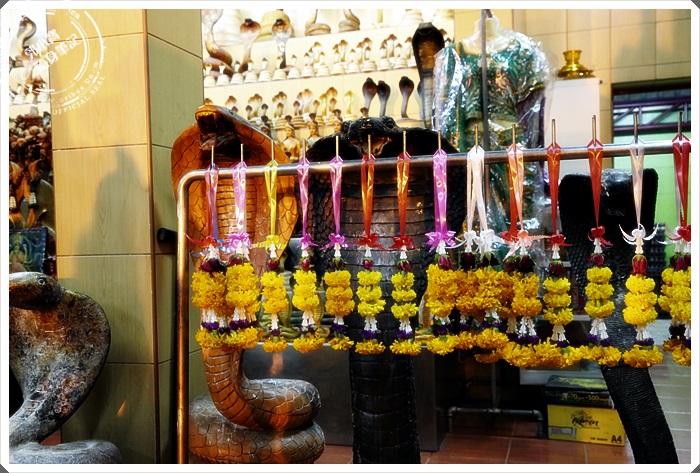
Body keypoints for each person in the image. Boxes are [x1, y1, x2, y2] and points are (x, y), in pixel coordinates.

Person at [433, 13, 551, 234]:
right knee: (472, 211)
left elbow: (533, 111)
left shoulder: (522, 51)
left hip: (510, 140)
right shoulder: (453, 55)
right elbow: (446, 110)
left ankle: (515, 253)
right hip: (468, 143)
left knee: (516, 211)